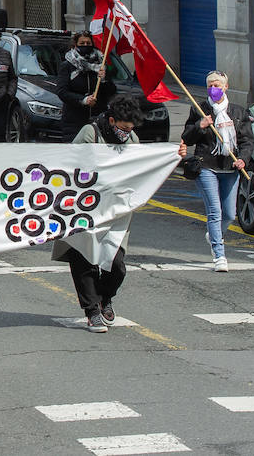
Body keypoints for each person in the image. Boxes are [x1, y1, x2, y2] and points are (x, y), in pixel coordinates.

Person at [51, 96, 147, 332]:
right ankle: (92, 310)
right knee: (83, 258)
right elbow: (70, 163)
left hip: (114, 212)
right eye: (123, 128)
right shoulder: (90, 133)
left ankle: (105, 297)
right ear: (112, 120)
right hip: (84, 208)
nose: (127, 134)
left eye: (131, 130)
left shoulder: (132, 139)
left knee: (117, 264)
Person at [182, 71, 253, 272]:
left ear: (226, 87)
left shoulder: (238, 112)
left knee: (230, 214)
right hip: (206, 166)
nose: (214, 89)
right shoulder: (199, 110)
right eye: (210, 86)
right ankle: (219, 254)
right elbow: (187, 137)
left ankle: (214, 234)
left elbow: (247, 140)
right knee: (215, 211)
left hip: (229, 168)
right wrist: (200, 125)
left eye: (217, 85)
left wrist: (243, 159)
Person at [56, 31, 116, 121]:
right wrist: (83, 100)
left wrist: (104, 80)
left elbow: (111, 91)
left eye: (88, 43)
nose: (85, 45)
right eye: (82, 43)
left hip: (97, 118)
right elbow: (62, 91)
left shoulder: (100, 64)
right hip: (74, 119)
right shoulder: (67, 66)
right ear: (75, 45)